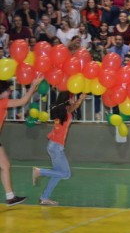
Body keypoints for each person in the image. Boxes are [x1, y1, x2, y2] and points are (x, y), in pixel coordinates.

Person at [32, 91, 86, 205]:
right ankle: (40, 172)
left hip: (53, 145)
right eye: (71, 98)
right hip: (56, 147)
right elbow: (74, 106)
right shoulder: (65, 111)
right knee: (66, 174)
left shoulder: (60, 110)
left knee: (57, 173)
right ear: (67, 100)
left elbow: (72, 107)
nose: (73, 99)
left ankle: (44, 197)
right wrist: (80, 99)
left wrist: (78, 100)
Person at [0, 75, 43, 206]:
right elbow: (22, 102)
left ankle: (10, 197)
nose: (10, 92)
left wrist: (32, 90)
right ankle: (10, 197)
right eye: (8, 90)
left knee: (5, 166)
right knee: (5, 166)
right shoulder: (2, 102)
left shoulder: (3, 101)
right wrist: (33, 85)